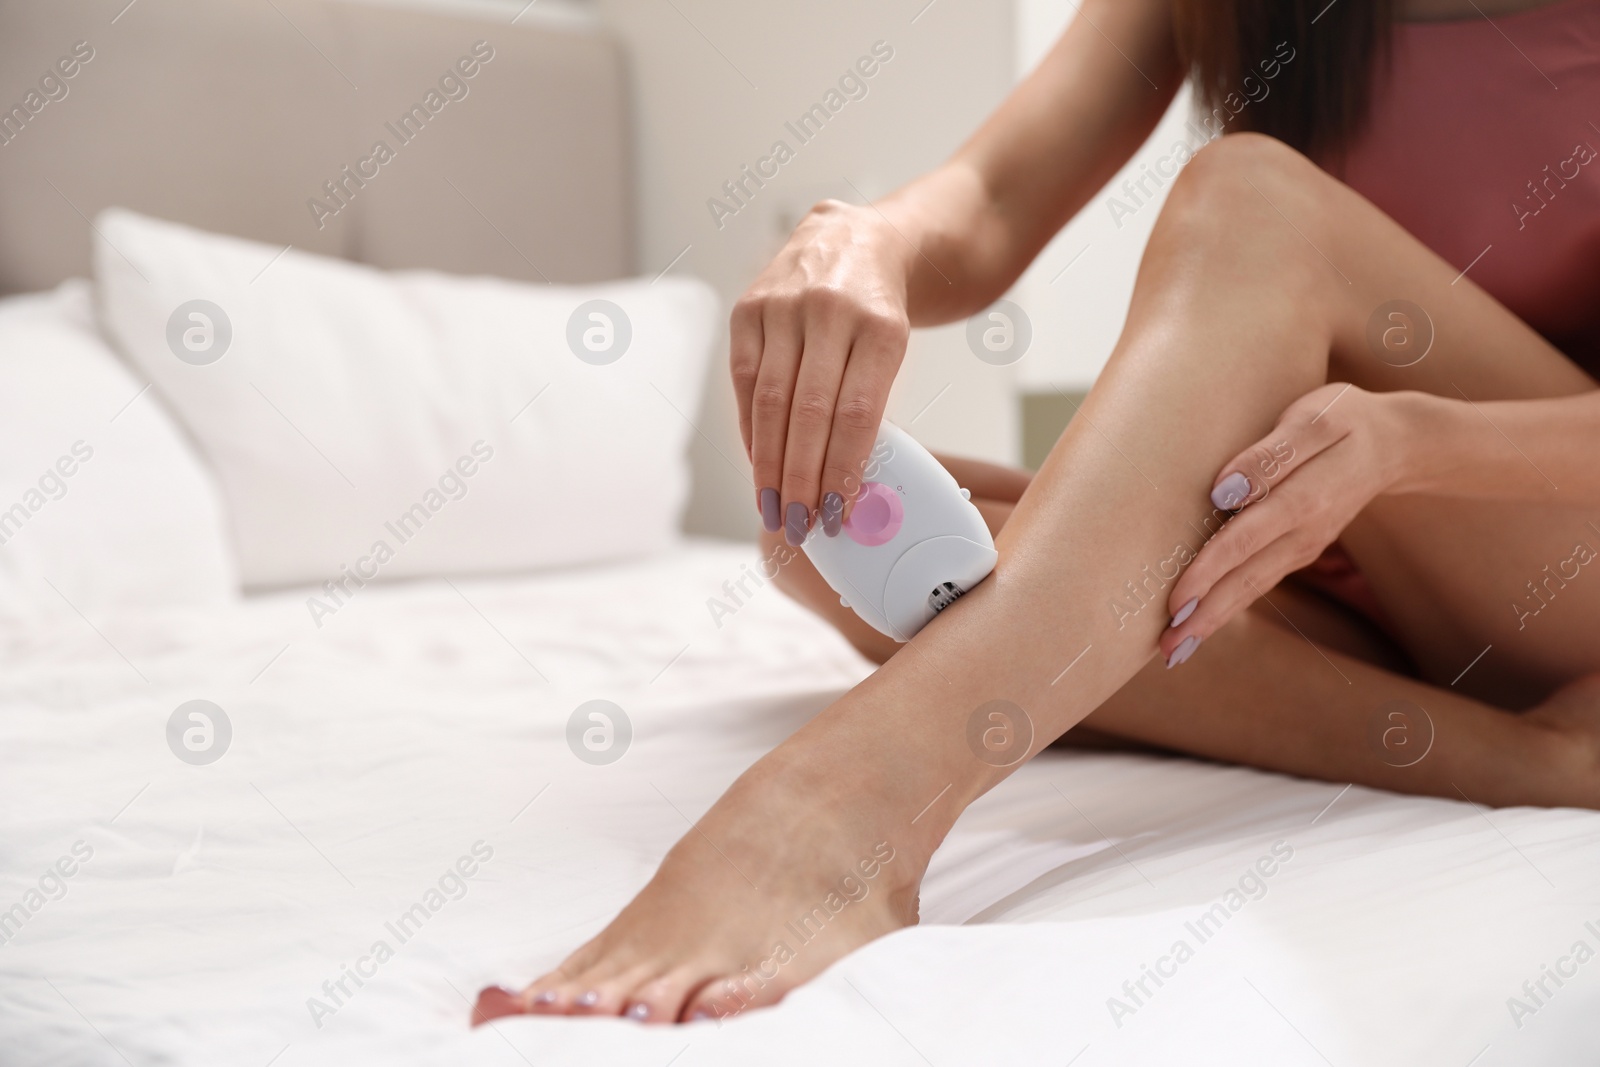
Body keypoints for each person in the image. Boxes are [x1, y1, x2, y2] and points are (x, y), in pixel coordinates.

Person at [504, 0, 1600, 1025]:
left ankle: (850, 800)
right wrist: (864, 240)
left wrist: (1414, 443)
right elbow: (987, 203)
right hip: (1337, 529)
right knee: (825, 530)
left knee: (1254, 200)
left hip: (1550, 541)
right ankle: (1526, 761)